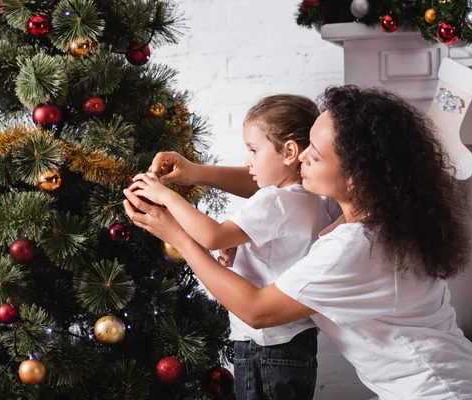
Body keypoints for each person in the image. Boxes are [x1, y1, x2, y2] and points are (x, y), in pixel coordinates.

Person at [123, 85, 472, 399]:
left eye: (317, 155)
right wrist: (196, 172)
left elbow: (257, 310)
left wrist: (179, 238)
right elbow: (281, 187)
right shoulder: (376, 211)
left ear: (357, 176)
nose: (303, 156)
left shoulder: (355, 248)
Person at [128, 94, 341, 400]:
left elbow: (212, 237)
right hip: (297, 342)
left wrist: (165, 197)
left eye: (254, 150)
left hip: (263, 347)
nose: (247, 160)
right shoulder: (312, 197)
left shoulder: (276, 200)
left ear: (290, 152)